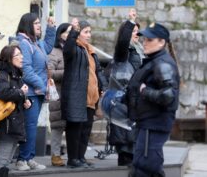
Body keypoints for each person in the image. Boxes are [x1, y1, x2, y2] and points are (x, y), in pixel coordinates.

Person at [126, 23, 180, 177]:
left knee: (145, 168)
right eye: (145, 39)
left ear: (162, 42)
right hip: (147, 123)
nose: (145, 42)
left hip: (154, 124)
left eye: (150, 39)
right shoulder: (153, 61)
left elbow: (169, 95)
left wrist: (145, 91)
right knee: (143, 167)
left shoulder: (162, 63)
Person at [61, 20, 107, 168]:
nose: (89, 35)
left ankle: (80, 157)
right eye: (86, 32)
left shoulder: (90, 51)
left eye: (90, 32)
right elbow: (67, 49)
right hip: (76, 96)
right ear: (78, 34)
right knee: (75, 128)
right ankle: (72, 159)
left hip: (91, 97)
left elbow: (98, 71)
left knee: (86, 130)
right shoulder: (73, 49)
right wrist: (73, 31)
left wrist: (103, 86)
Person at [15, 13, 56, 171]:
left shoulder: (35, 42)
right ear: (28, 24)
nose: (39, 25)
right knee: (30, 126)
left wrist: (51, 28)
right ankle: (22, 160)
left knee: (32, 125)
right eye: (36, 23)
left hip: (37, 91)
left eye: (40, 23)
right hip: (30, 92)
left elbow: (48, 46)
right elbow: (26, 70)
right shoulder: (24, 43)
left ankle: (29, 158)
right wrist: (42, 84)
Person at [105, 9, 144, 166]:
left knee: (133, 145)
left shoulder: (138, 50)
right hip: (122, 100)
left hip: (136, 100)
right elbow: (122, 42)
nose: (136, 34)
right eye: (133, 31)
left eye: (137, 31)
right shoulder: (124, 51)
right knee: (126, 150)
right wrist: (130, 22)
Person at [0, 45, 31, 177]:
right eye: (18, 55)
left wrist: (27, 101)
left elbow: (17, 95)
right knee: (2, 159)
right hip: (6, 122)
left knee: (7, 159)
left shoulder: (16, 74)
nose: (21, 57)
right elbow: (3, 93)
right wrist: (21, 92)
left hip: (14, 121)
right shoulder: (3, 74)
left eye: (21, 54)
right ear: (9, 58)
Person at [47, 23, 71, 167]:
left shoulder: (73, 49)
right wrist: (68, 73)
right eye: (66, 32)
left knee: (71, 126)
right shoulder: (55, 52)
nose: (69, 34)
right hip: (58, 94)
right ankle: (55, 155)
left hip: (72, 94)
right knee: (57, 126)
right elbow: (49, 73)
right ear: (60, 34)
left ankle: (72, 155)